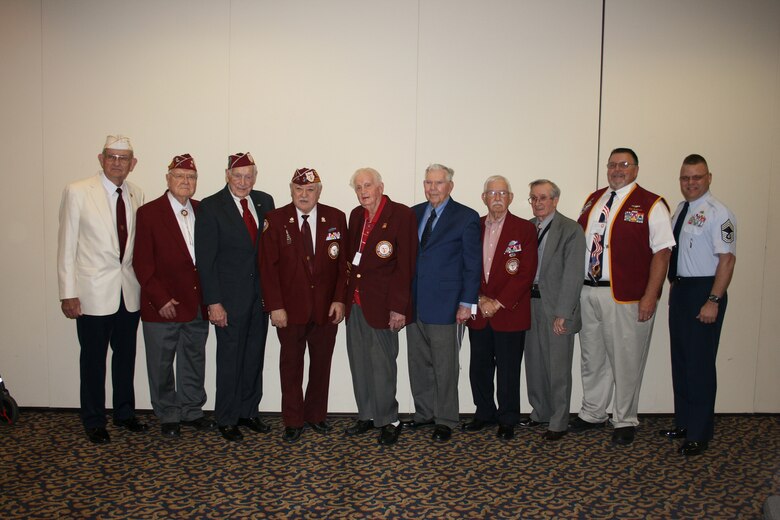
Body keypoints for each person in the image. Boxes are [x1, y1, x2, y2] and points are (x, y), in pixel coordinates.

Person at [570, 147, 675, 445]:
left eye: (624, 165)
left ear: (636, 169)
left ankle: (624, 418)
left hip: (627, 297)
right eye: (612, 164)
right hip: (589, 291)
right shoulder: (595, 198)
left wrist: (650, 296)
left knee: (626, 360)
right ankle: (593, 412)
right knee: (592, 357)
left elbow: (663, 253)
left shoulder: (651, 204)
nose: (617, 170)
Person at [57, 134, 147, 444]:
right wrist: (68, 291)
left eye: (124, 158)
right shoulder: (78, 191)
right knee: (93, 359)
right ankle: (94, 419)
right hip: (92, 294)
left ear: (132, 164)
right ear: (101, 159)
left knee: (126, 356)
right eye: (112, 157)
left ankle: (124, 413)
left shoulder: (137, 193)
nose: (117, 163)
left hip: (128, 291)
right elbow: (66, 244)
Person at [259, 168, 348, 443]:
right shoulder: (275, 220)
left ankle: (316, 416)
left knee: (321, 366)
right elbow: (267, 268)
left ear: (319, 191)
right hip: (289, 310)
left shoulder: (335, 218)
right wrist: (275, 306)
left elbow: (344, 266)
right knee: (291, 366)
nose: (304, 195)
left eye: (310, 190)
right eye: (299, 190)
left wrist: (339, 299)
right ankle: (293, 420)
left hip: (325, 309)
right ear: (291, 190)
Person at [133, 154, 215, 438]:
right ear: (167, 178)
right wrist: (160, 298)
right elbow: (142, 262)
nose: (185, 182)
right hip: (163, 305)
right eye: (179, 176)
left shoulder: (204, 210)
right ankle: (168, 413)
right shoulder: (148, 213)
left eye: (191, 177)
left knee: (194, 359)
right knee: (161, 363)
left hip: (196, 303)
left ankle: (192, 410)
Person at [195, 152, 274, 442]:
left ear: (256, 176)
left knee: (254, 357)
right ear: (227, 175)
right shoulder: (211, 207)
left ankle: (248, 412)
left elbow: (268, 253)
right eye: (237, 175)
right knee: (230, 360)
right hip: (228, 301)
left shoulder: (265, 201)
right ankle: (226, 418)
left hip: (259, 299)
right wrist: (213, 302)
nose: (243, 181)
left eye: (249, 175)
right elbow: (205, 260)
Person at [661, 154, 736, 456]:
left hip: (704, 291)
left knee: (700, 364)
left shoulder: (719, 213)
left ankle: (699, 433)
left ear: (709, 178)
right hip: (680, 290)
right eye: (685, 178)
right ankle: (684, 422)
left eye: (696, 177)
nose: (690, 183)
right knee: (680, 360)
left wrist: (713, 300)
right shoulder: (681, 209)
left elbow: (727, 260)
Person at [404, 163, 481, 442]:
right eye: (428, 183)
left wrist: (467, 303)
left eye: (438, 183)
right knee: (419, 362)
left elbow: (473, 265)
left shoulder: (466, 217)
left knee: (445, 365)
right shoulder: (412, 214)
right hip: (416, 302)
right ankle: (424, 413)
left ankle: (446, 419)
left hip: (448, 304)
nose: (432, 188)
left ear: (450, 186)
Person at [344, 167, 417, 446]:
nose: (363, 192)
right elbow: (351, 261)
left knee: (383, 365)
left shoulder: (401, 215)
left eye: (367, 186)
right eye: (358, 187)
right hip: (357, 303)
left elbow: (406, 265)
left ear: (380, 187)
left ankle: (389, 419)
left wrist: (399, 308)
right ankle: (367, 415)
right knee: (359, 362)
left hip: (385, 306)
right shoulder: (355, 215)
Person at [463, 176, 536, 440]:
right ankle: (484, 413)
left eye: (502, 193)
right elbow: (467, 267)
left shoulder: (524, 229)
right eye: (491, 192)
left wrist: (498, 302)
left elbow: (526, 273)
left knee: (508, 369)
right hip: (480, 311)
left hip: (510, 312)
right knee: (479, 367)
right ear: (484, 198)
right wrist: (481, 298)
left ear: (511, 198)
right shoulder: (474, 226)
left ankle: (508, 418)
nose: (497, 197)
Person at [523, 179, 586, 441]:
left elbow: (573, 275)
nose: (538, 203)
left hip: (556, 307)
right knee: (535, 363)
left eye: (543, 198)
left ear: (555, 200)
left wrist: (564, 313)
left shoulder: (570, 229)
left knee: (558, 368)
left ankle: (558, 421)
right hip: (529, 304)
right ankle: (541, 412)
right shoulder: (526, 228)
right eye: (534, 198)